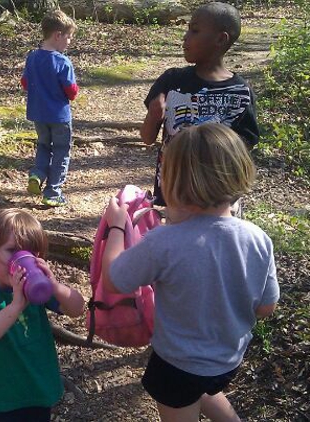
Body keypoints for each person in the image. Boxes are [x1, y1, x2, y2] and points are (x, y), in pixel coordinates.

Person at [101, 123, 279, 422]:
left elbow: (114, 280)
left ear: (173, 181)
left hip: (177, 365)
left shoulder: (164, 243)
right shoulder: (257, 238)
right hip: (227, 360)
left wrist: (118, 226)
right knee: (205, 388)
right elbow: (265, 307)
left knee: (186, 395)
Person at [0, 209, 85, 422]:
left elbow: (77, 309)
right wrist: (15, 306)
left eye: (30, 254)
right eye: (11, 251)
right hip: (1, 400)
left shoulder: (34, 289)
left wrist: (55, 286)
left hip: (37, 393)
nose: (19, 261)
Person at [140, 1, 259, 207]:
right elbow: (147, 138)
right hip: (175, 195)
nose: (185, 37)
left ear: (220, 39)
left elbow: (243, 149)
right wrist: (154, 115)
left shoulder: (240, 93)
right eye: (187, 29)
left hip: (218, 200)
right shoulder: (172, 80)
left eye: (194, 31)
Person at [21, 9, 79, 207]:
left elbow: (25, 83)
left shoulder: (32, 57)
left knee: (44, 146)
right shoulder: (63, 62)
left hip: (38, 114)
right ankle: (53, 193)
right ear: (58, 35)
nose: (69, 42)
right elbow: (71, 91)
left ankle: (37, 174)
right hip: (59, 116)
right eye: (68, 37)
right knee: (61, 151)